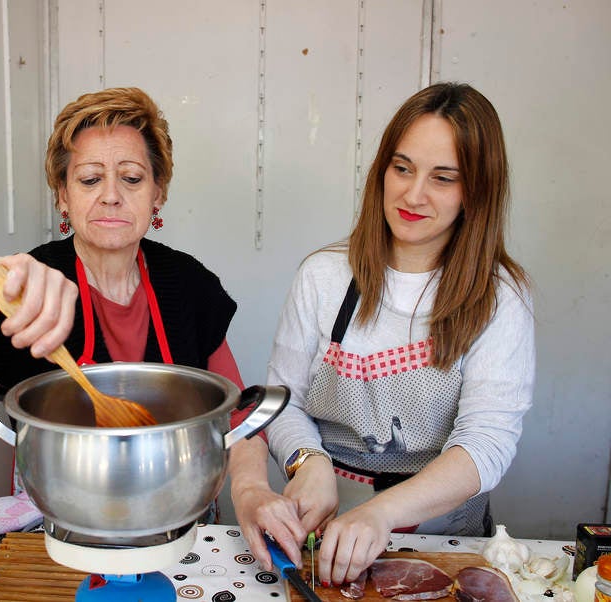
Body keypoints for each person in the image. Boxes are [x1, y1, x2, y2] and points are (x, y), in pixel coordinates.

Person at [229, 82, 534, 587]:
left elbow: (486, 444)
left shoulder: (500, 297)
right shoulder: (323, 276)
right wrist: (310, 462)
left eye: (443, 178)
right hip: (319, 535)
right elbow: (284, 403)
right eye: (402, 168)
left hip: (441, 543)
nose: (413, 194)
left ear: (476, 189)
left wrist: (379, 513)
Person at [0, 86, 244, 436]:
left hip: (181, 493)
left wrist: (251, 488)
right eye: (90, 179)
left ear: (157, 194)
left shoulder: (189, 281)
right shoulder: (23, 282)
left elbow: (238, 415)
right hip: (53, 497)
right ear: (62, 195)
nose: (111, 195)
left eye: (131, 178)